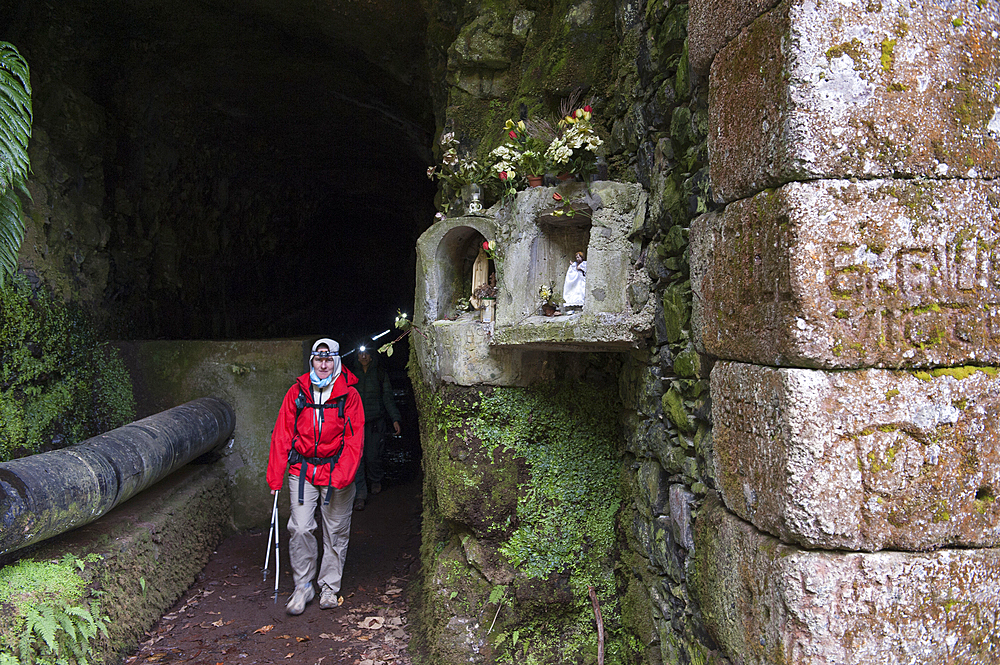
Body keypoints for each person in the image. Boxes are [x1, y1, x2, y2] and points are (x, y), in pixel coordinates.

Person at [266, 338, 364, 615]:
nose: (323, 364)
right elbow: (282, 434)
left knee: (335, 530)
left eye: (328, 359)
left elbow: (354, 440)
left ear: (336, 360)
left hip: (336, 472)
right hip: (303, 470)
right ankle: (304, 585)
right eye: (318, 359)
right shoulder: (297, 393)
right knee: (299, 527)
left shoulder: (350, 396)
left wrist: (342, 476)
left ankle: (329, 588)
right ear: (312, 361)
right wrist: (275, 476)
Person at [350, 346, 402, 512]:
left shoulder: (379, 374)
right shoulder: (350, 376)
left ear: (371, 357)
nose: (363, 356)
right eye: (360, 354)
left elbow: (387, 397)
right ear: (357, 356)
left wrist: (395, 418)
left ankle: (375, 479)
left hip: (374, 422)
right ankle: (360, 495)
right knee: (357, 460)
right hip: (356, 424)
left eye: (366, 354)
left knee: (373, 456)